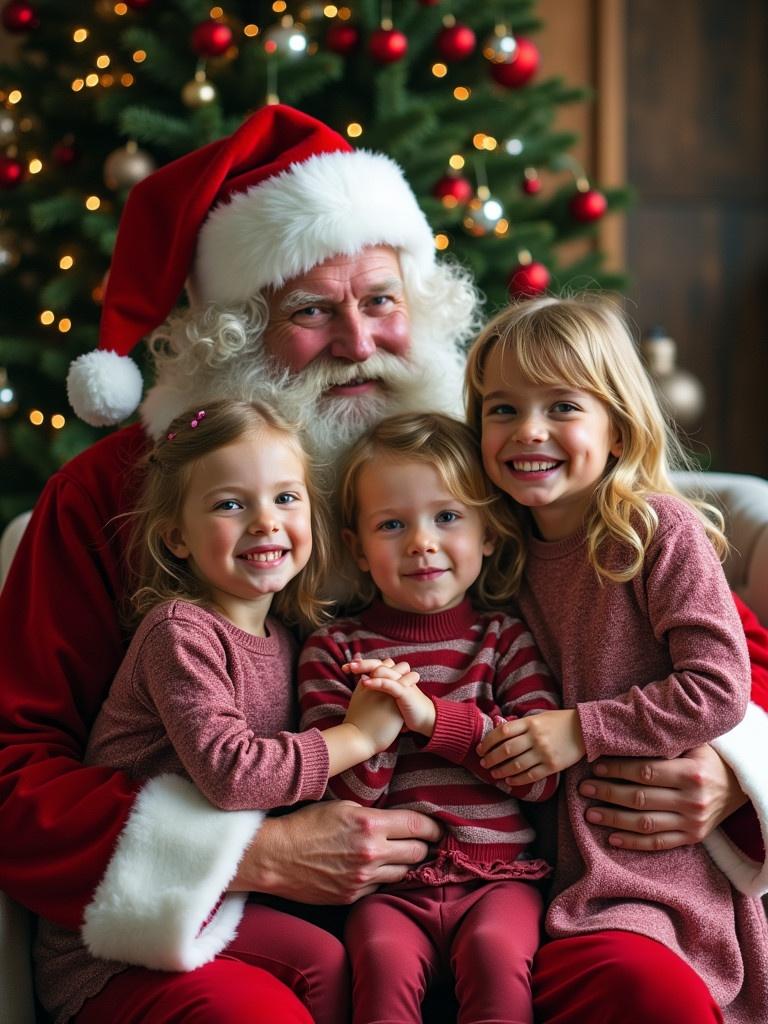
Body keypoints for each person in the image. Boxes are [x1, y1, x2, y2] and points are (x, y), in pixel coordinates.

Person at [0, 104, 766, 1020]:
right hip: (217, 922)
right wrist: (250, 855)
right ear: (236, 331)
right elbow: (15, 763)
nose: (360, 344)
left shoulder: (488, 472)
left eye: (382, 302)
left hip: (522, 896)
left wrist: (730, 775)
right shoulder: (120, 494)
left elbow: (730, 657)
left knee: (640, 996)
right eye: (313, 311)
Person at [34, 398, 413, 1024]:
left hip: (215, 901)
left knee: (327, 961)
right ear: (175, 535)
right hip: (124, 929)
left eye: (286, 499)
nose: (265, 522)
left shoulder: (286, 638)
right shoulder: (180, 633)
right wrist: (357, 737)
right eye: (230, 504)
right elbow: (234, 775)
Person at [465, 293, 768, 1023]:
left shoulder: (655, 532)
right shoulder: (488, 551)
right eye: (501, 410)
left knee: (645, 987)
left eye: (562, 406)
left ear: (618, 426)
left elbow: (718, 688)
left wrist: (580, 729)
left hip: (647, 871)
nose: (527, 431)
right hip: (525, 872)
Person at [299, 411, 559, 1023]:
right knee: (382, 966)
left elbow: (539, 776)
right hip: (388, 891)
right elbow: (336, 795)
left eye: (447, 517)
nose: (421, 541)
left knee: (498, 960)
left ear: (488, 532)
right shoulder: (336, 651)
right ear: (357, 549)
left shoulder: (506, 640)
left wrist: (430, 717)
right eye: (392, 524)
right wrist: (376, 730)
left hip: (500, 878)